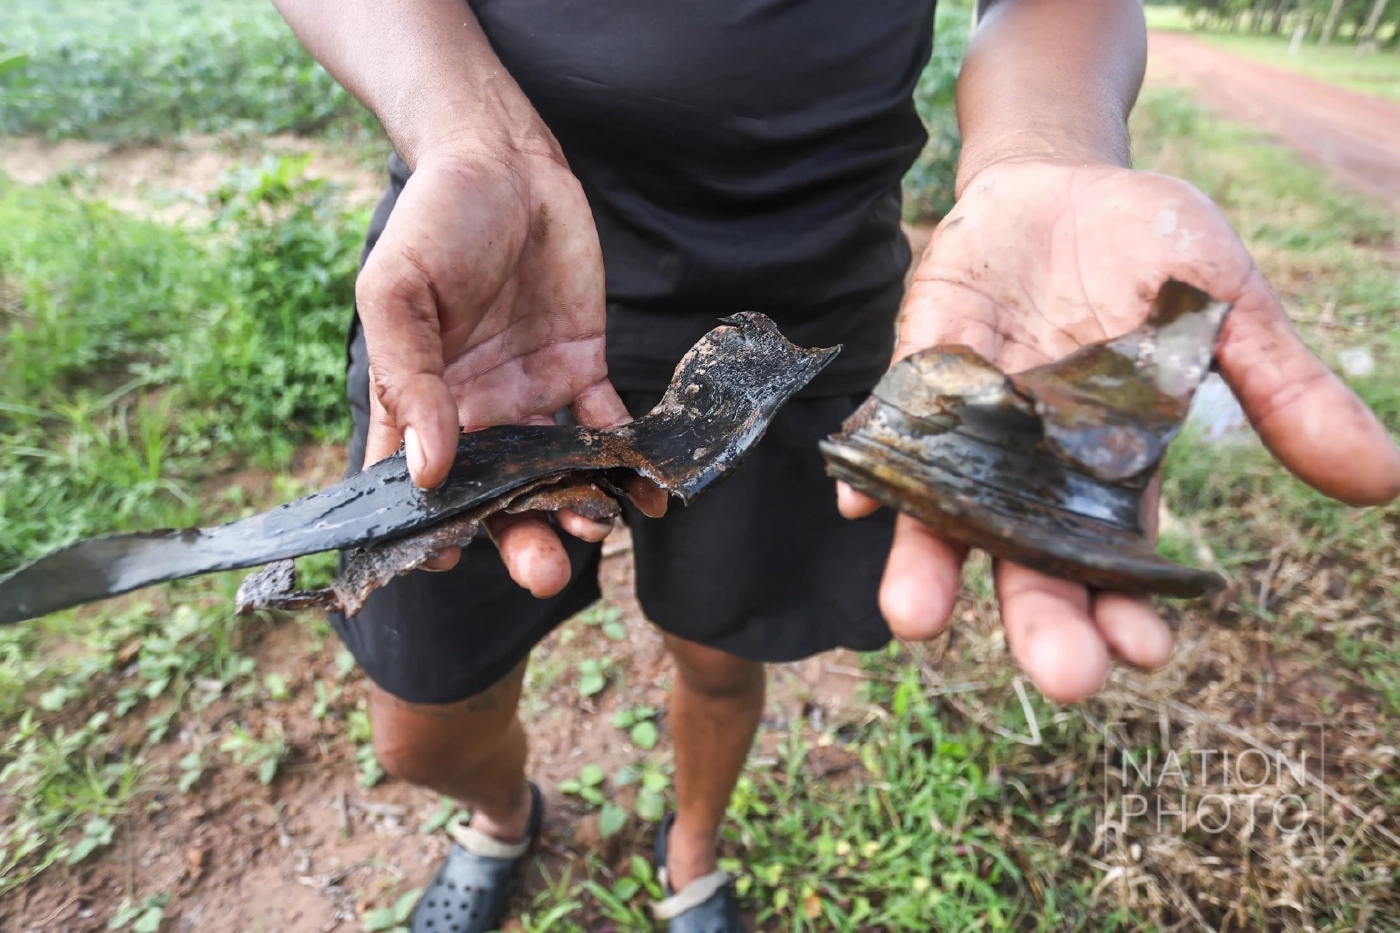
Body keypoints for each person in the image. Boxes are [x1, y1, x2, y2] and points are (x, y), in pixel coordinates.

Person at [272, 0, 1400, 929]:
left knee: (720, 651)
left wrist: (1044, 150)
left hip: (799, 310)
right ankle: (500, 815)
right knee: (421, 711)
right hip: (497, 284)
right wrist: (470, 133)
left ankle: (691, 852)